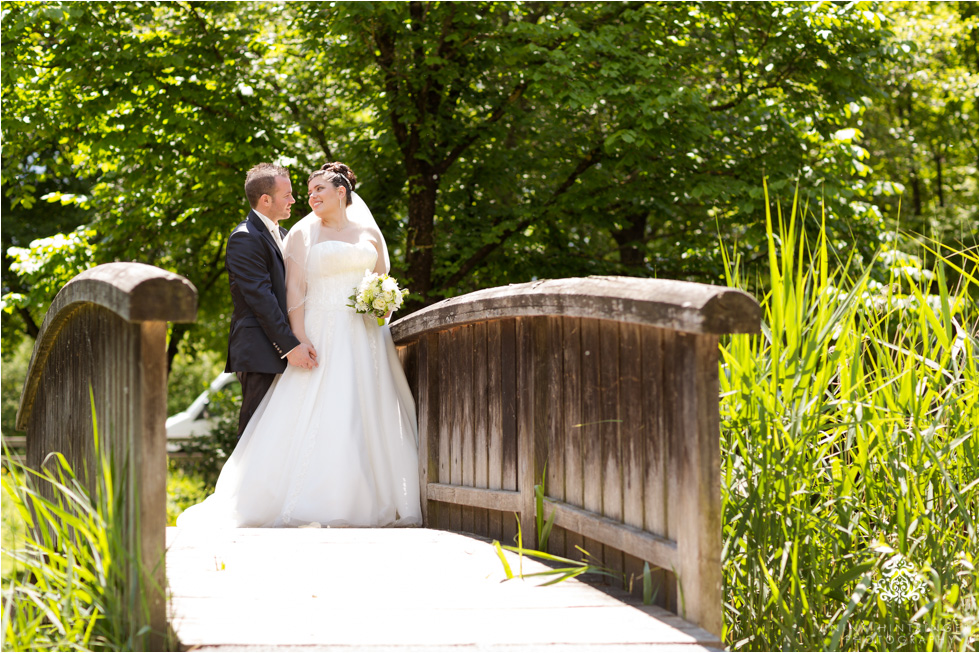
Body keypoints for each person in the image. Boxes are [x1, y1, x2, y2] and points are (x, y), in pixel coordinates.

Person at [177, 163, 422, 528]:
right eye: (301, 192)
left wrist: (381, 300)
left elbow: (381, 277)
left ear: (342, 192)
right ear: (266, 198)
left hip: (365, 336)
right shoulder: (297, 233)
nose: (307, 197)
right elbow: (284, 292)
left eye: (317, 189)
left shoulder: (366, 232)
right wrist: (297, 339)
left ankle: (371, 495)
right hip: (316, 333)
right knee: (305, 413)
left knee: (363, 410)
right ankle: (290, 496)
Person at [226, 163, 318, 441]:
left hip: (284, 345)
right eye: (287, 195)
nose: (293, 200)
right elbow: (261, 299)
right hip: (261, 350)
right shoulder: (245, 238)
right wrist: (290, 347)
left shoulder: (285, 235)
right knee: (254, 431)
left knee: (280, 434)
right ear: (265, 200)